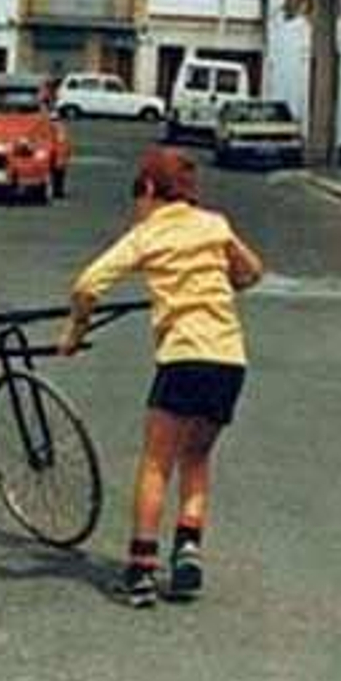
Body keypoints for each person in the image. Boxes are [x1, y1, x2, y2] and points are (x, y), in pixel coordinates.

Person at [59, 148, 265, 607]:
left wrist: (76, 328)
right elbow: (251, 271)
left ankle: (141, 571)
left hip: (183, 358)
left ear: (150, 190)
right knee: (197, 456)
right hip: (229, 360)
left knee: (156, 462)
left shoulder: (147, 234)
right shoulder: (215, 225)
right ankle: (188, 547)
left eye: (138, 195)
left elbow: (88, 285)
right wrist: (219, 280)